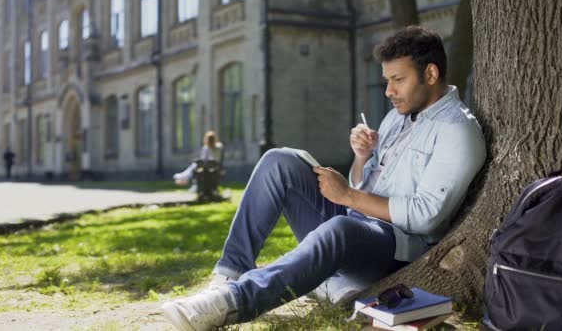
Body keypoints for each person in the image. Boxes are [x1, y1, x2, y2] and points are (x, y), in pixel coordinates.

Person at [161, 26, 487, 330]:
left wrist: (348, 197)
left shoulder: (457, 131)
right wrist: (361, 158)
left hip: (396, 247)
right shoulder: (396, 118)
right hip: (354, 223)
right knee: (280, 161)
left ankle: (232, 303)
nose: (388, 91)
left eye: (398, 80)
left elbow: (425, 217)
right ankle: (229, 274)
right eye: (386, 80)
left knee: (342, 227)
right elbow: (363, 185)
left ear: (430, 74)